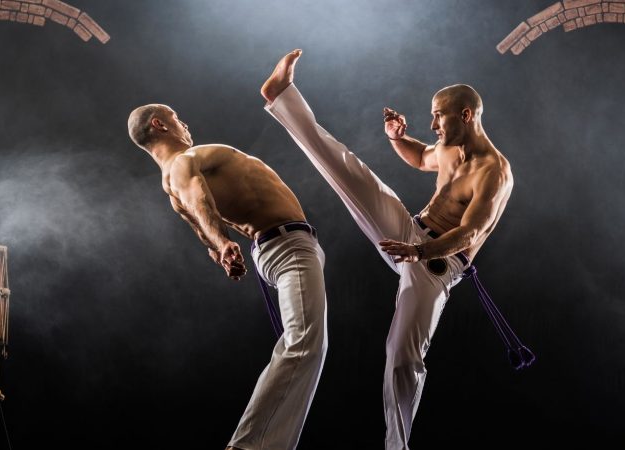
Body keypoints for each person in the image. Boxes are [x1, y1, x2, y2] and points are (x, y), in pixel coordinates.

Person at [261, 49, 515, 449]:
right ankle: (282, 95)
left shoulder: (494, 172)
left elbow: (470, 232)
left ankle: (397, 447)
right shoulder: (448, 148)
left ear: (465, 115)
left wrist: (418, 254)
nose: (432, 124)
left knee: (401, 359)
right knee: (350, 170)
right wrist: (398, 138)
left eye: (438, 116)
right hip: (409, 234)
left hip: (437, 266)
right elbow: (420, 158)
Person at [127, 103, 328, 450]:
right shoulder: (182, 164)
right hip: (285, 244)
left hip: (283, 245)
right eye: (177, 117)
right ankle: (248, 445)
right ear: (160, 124)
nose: (184, 122)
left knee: (307, 345)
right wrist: (223, 244)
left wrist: (219, 248)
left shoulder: (172, 183)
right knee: (304, 342)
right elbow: (199, 199)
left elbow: (202, 226)